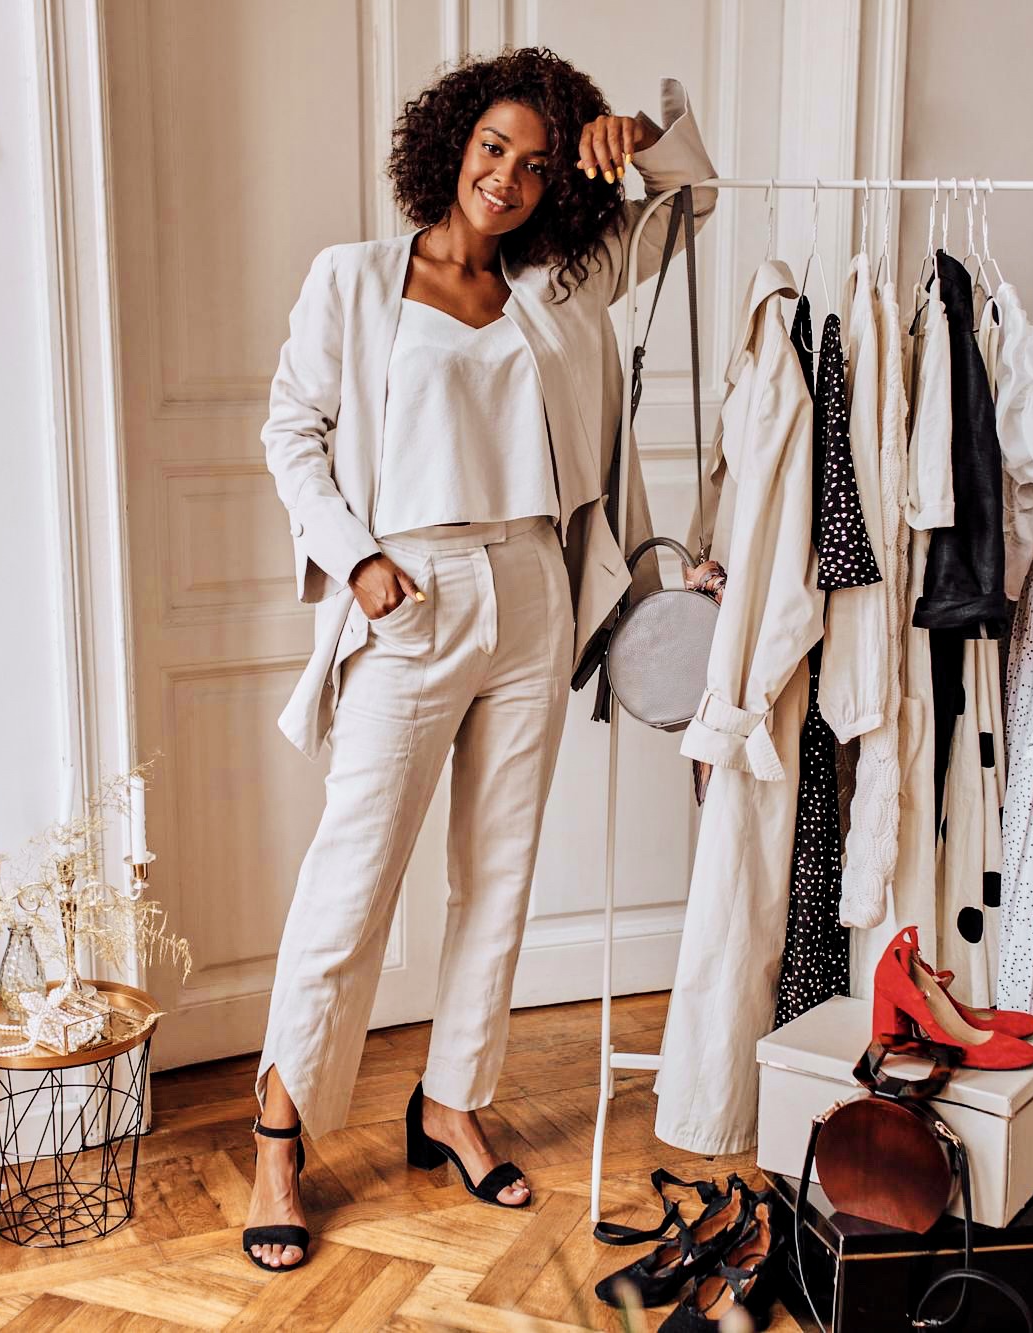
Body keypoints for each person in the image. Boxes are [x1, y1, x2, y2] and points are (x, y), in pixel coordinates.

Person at [246, 47, 715, 1272]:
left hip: (529, 590)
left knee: (497, 870)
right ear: (452, 140)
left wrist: (634, 145)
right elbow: (291, 430)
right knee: (354, 878)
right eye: (492, 147)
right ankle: (276, 1134)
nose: (505, 178)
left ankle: (450, 1100)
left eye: (536, 163)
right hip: (405, 590)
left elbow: (691, 198)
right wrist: (354, 561)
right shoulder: (353, 281)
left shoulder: (559, 284)